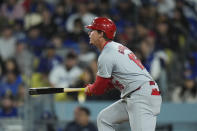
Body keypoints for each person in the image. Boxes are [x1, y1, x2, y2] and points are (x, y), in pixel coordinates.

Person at [84, 17, 162, 131]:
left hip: (141, 96)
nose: (89, 33)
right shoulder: (116, 47)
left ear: (101, 34)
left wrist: (91, 89)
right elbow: (112, 82)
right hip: (137, 94)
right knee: (104, 119)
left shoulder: (107, 54)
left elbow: (99, 88)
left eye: (92, 30)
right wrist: (96, 87)